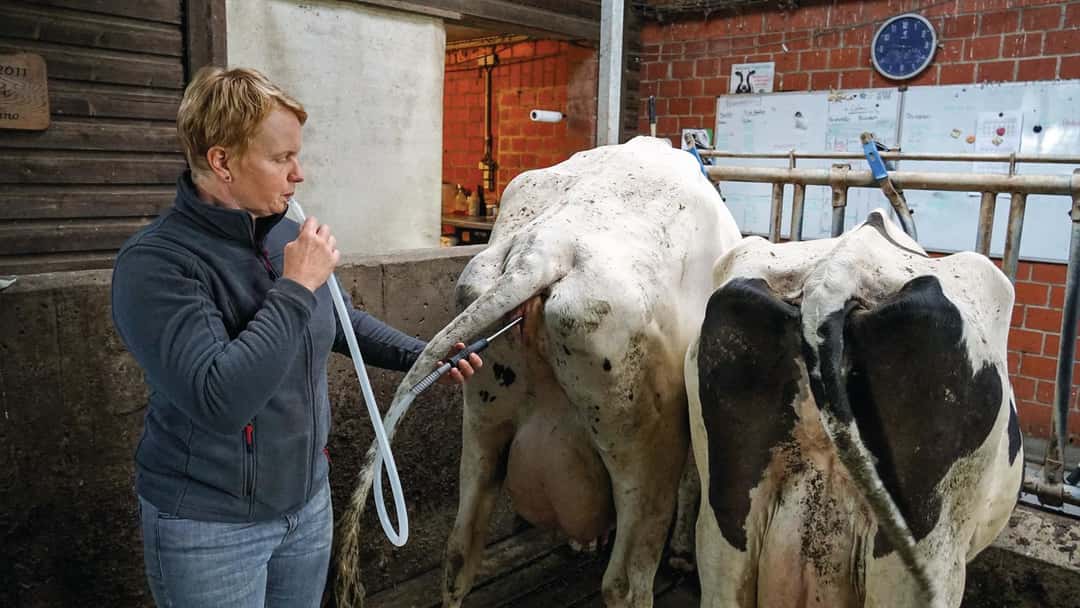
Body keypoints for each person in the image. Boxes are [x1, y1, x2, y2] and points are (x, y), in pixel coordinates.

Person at [110, 66, 481, 608]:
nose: (298, 174)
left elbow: (343, 325)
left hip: (306, 507)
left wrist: (424, 356)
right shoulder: (157, 265)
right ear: (222, 162)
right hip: (210, 528)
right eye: (281, 158)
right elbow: (219, 400)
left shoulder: (283, 231)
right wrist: (297, 284)